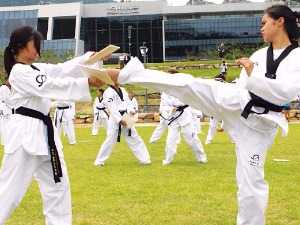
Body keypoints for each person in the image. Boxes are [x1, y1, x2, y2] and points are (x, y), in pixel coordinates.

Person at [103, 5, 300, 225]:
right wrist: (225, 83)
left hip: (260, 125)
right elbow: (244, 86)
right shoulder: (260, 54)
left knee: (250, 184)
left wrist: (253, 74)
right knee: (187, 83)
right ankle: (127, 74)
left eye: (264, 23)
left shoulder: (297, 58)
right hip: (237, 101)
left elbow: (287, 92)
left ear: (280, 21)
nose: (260, 28)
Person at [0, 26, 103, 225]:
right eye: (34, 45)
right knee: (8, 194)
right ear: (20, 47)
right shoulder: (18, 72)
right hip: (25, 136)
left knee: (58, 189)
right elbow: (50, 85)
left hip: (47, 136)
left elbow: (62, 70)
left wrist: (90, 58)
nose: (38, 51)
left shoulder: (37, 69)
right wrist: (86, 83)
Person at [94, 85, 151, 166]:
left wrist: (131, 110)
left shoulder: (123, 90)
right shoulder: (108, 92)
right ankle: (99, 161)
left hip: (126, 115)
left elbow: (128, 103)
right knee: (110, 140)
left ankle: (145, 160)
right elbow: (111, 107)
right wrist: (119, 120)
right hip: (114, 119)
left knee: (134, 137)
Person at [161, 93, 207, 165]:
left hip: (185, 116)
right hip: (173, 117)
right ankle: (168, 159)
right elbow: (163, 106)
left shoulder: (182, 88)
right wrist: (171, 109)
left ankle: (201, 157)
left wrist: (197, 113)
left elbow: (193, 100)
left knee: (192, 139)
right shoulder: (165, 93)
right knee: (170, 139)